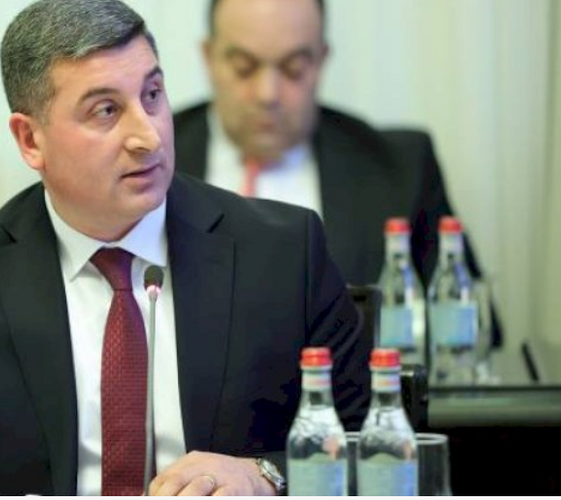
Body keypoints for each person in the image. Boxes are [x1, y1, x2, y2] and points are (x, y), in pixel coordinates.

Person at [0, 0, 369, 495]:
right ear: (30, 139)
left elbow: (373, 441)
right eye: (106, 110)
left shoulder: (282, 252)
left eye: (152, 94)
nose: (147, 134)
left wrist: (265, 475)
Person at [175, 0, 501, 346]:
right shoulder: (152, 162)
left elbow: (474, 332)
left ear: (321, 60)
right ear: (209, 58)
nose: (268, 94)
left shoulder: (399, 170)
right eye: (244, 68)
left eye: (294, 69)